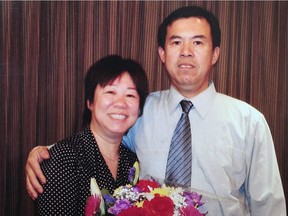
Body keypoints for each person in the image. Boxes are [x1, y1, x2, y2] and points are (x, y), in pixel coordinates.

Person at [26, 6, 286, 215]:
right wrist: (45, 153)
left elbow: (269, 205)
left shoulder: (248, 121)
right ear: (162, 53)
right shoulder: (141, 109)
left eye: (197, 43)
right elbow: (103, 136)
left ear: (215, 53)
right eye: (176, 43)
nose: (186, 52)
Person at [33, 55, 149, 215]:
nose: (121, 103)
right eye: (110, 92)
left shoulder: (131, 162)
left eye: (130, 95)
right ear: (90, 102)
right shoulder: (63, 158)